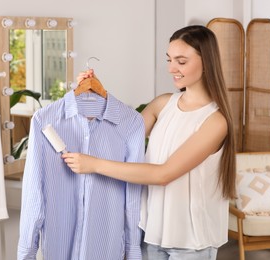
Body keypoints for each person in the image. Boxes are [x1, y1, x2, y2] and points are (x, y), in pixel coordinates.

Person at [62, 25, 236, 260]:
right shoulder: (162, 105)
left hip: (191, 241)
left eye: (181, 61)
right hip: (149, 231)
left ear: (206, 62)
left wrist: (94, 165)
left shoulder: (215, 121)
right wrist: (92, 95)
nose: (172, 68)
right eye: (169, 60)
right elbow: (115, 138)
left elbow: (163, 175)